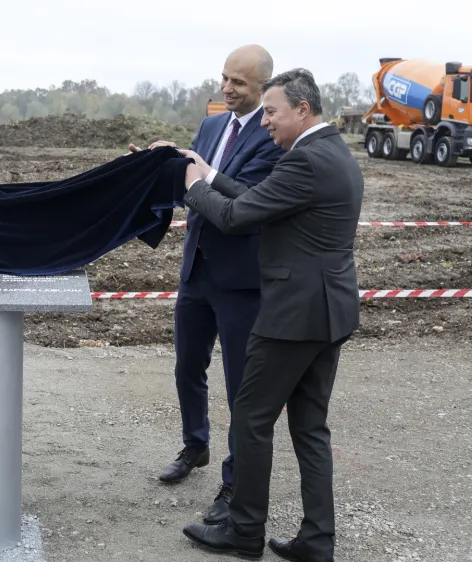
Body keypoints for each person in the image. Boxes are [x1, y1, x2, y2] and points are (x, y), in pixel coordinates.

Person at [178, 68, 363, 561]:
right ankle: (316, 541)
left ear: (303, 110)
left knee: (252, 419)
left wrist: (195, 188)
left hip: (292, 315)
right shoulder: (332, 154)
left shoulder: (304, 161)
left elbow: (237, 218)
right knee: (309, 426)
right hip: (331, 312)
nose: (266, 123)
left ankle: (243, 534)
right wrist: (210, 172)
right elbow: (260, 200)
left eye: (273, 113)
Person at [135, 44, 285, 525]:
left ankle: (235, 481)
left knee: (241, 388)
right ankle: (194, 446)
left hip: (242, 282)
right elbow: (191, 185)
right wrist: (158, 164)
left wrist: (199, 176)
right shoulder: (213, 123)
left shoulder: (271, 134)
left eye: (238, 83)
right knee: (187, 368)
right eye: (224, 78)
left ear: (263, 86)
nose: (227, 88)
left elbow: (246, 202)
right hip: (197, 271)